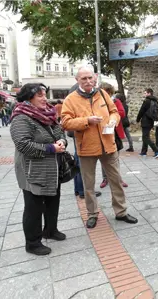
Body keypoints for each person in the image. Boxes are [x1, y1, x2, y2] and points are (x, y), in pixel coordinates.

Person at [61, 66, 137, 229]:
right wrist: (87, 120)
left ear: (94, 78)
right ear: (77, 80)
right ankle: (92, 214)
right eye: (84, 79)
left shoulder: (102, 94)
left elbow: (115, 112)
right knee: (89, 184)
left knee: (115, 180)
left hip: (108, 145)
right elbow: (65, 123)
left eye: (90, 78)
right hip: (86, 147)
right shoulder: (70, 99)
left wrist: (113, 121)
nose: (88, 81)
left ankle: (121, 212)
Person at [10, 83, 67, 255]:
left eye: (45, 94)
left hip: (52, 169)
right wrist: (51, 148)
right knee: (33, 206)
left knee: (52, 200)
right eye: (40, 95)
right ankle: (33, 243)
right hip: (32, 170)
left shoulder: (48, 113)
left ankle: (50, 229)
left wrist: (62, 141)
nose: (45, 98)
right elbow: (23, 144)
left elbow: (58, 130)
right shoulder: (21, 117)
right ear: (29, 98)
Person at [99, 83, 128, 189]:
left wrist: (110, 114)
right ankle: (105, 178)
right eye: (103, 91)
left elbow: (122, 112)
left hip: (114, 132)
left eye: (107, 91)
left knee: (115, 158)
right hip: (103, 133)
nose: (105, 93)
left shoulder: (115, 101)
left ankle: (118, 179)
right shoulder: (96, 102)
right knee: (103, 157)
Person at [136, 88, 158, 158]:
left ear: (149, 93)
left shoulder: (147, 101)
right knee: (145, 136)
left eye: (145, 93)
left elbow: (141, 111)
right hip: (151, 121)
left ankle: (157, 150)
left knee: (145, 137)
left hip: (145, 120)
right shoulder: (156, 101)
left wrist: (138, 119)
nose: (144, 94)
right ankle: (143, 152)